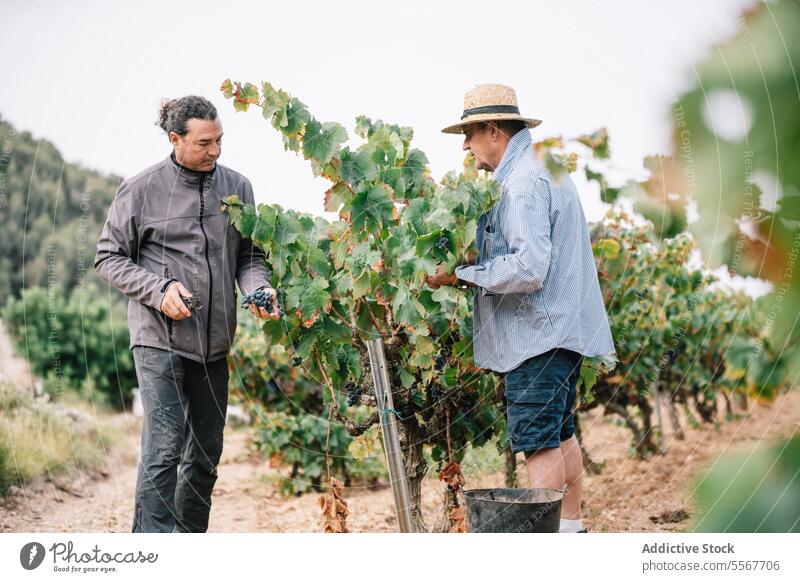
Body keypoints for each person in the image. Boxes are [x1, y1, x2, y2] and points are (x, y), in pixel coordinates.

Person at [427, 84, 615, 533]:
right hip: (560, 332)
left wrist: (461, 275)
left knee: (538, 443)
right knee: (559, 433)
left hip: (537, 337)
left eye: (469, 134)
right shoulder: (540, 170)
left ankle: (540, 548)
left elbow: (529, 268)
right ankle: (570, 531)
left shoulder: (523, 183)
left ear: (494, 131)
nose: (466, 146)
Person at [94, 95, 279, 533]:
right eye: (203, 143)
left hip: (214, 345)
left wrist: (259, 287)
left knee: (205, 458)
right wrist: (159, 291)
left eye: (219, 140)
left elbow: (250, 257)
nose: (215, 151)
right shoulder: (140, 189)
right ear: (175, 138)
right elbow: (107, 257)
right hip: (159, 340)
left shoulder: (238, 187)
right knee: (163, 451)